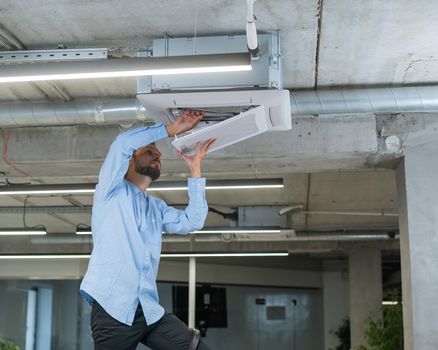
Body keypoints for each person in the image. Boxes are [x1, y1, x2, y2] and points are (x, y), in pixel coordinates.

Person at [80, 110, 215, 350]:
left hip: (149, 311)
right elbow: (123, 142)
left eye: (158, 153)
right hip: (113, 311)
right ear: (131, 158)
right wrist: (172, 129)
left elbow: (193, 221)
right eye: (149, 151)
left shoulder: (156, 208)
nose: (158, 155)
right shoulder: (110, 191)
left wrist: (195, 171)